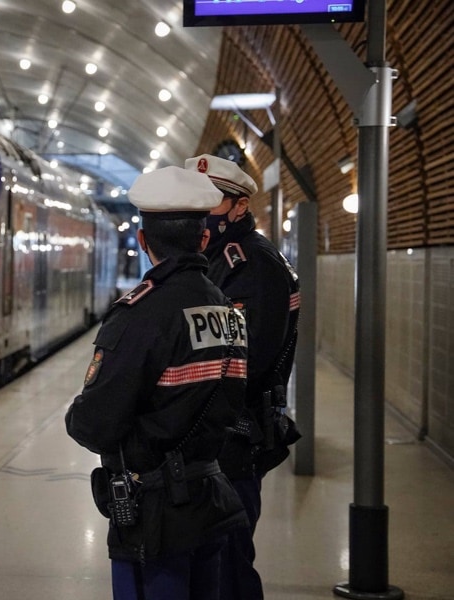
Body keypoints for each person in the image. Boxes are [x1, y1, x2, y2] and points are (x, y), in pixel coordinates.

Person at [65, 165, 250, 600]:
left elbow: (95, 424)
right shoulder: (229, 312)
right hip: (210, 499)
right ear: (203, 240)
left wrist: (77, 417)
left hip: (155, 516)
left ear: (143, 240)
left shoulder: (141, 314)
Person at [185, 154, 301, 600]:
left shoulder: (251, 264)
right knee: (212, 564)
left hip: (235, 439)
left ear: (239, 206)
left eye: (212, 201)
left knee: (229, 569)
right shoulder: (214, 258)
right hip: (215, 439)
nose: (201, 211)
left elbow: (244, 365)